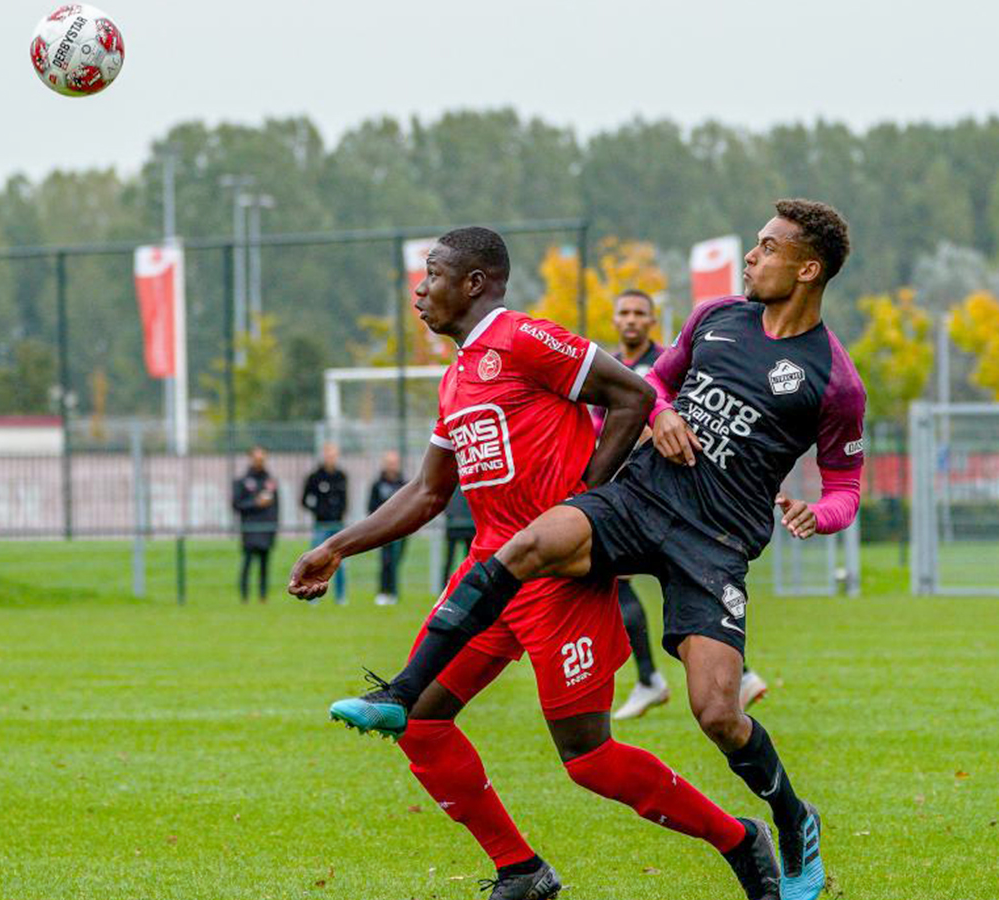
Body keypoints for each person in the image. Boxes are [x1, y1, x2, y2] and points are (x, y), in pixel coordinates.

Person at [331, 200, 866, 900]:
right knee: (530, 544)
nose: (750, 257)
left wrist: (816, 515)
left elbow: (847, 485)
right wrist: (665, 411)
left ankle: (790, 819)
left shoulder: (835, 379)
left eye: (766, 248)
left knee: (717, 713)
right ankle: (405, 695)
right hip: (643, 501)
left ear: (808, 267)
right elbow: (655, 383)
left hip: (716, 542)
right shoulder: (716, 319)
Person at [599, 289, 769, 721]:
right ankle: (685, 677)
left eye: (640, 313)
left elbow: (685, 412)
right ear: (615, 319)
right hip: (627, 482)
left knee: (654, 576)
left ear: (652, 320)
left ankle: (654, 679)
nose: (631, 320)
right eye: (624, 312)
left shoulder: (670, 362)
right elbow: (601, 422)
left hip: (671, 488)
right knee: (635, 578)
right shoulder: (611, 365)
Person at [301, 443, 349, 605]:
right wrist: (318, 511)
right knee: (316, 561)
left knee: (340, 563)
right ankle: (312, 596)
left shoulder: (341, 476)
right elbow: (304, 500)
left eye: (334, 454)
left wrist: (341, 512)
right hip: (321, 525)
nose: (331, 457)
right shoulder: (315, 477)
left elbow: (345, 499)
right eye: (328, 454)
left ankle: (341, 597)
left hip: (338, 525)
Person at [231, 446, 279, 602]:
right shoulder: (242, 481)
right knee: (247, 564)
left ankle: (263, 596)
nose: (259, 462)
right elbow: (236, 504)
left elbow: (276, 507)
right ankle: (244, 597)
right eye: (256, 458)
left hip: (266, 529)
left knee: (265, 566)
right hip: (250, 529)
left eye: (262, 459)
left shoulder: (270, 481)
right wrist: (256, 503)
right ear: (250, 459)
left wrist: (274, 528)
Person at [368, 450, 407, 606]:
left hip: (402, 530)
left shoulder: (404, 484)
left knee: (396, 562)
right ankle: (384, 592)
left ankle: (394, 593)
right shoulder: (377, 484)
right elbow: (371, 506)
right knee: (386, 561)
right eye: (389, 462)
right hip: (383, 531)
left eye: (394, 462)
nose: (392, 465)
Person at [443, 484, 474, 574]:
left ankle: (469, 582)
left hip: (469, 523)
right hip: (455, 522)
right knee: (450, 559)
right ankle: (445, 585)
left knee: (470, 560)